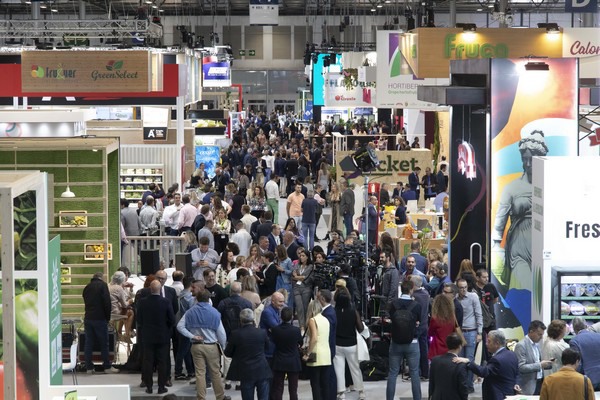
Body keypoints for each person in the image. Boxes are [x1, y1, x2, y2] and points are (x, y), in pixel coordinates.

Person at [493, 130, 549, 290]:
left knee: (542, 288)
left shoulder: (550, 185)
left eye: (531, 159)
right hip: (519, 246)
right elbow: (500, 218)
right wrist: (496, 245)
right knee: (523, 287)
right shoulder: (512, 188)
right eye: (524, 159)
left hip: (543, 245)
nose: (528, 163)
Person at [177, 289, 231, 400]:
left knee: (200, 373)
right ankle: (220, 396)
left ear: (196, 298)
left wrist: (192, 336)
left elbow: (180, 326)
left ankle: (201, 397)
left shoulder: (190, 312)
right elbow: (221, 333)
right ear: (209, 298)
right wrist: (223, 346)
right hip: (211, 346)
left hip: (196, 346)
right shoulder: (214, 313)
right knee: (215, 373)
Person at [453, 330, 520, 400]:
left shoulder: (497, 359)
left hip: (498, 396)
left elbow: (484, 372)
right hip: (510, 395)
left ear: (497, 343)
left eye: (489, 341)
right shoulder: (512, 354)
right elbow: (517, 373)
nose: (486, 344)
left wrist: (468, 362)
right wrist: (517, 383)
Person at [224, 308, 272, 400]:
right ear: (253, 319)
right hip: (262, 369)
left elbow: (228, 353)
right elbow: (268, 348)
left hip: (245, 370)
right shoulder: (262, 332)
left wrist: (238, 354)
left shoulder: (235, 334)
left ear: (241, 320)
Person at [138, 280, 175, 394]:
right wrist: (166, 328)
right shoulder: (166, 302)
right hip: (162, 336)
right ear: (160, 289)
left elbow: (139, 319)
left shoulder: (142, 302)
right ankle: (161, 386)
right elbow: (172, 319)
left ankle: (149, 386)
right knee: (162, 362)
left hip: (148, 336)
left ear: (150, 289)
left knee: (148, 362)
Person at [386, 280, 421, 400]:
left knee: (393, 373)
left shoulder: (393, 304)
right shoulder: (416, 305)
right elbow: (419, 322)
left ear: (401, 289)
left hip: (396, 342)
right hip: (412, 342)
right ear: (411, 290)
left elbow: (391, 319)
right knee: (414, 373)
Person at [82, 272, 119, 374]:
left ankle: (89, 367)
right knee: (104, 343)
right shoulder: (103, 286)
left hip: (88, 317)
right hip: (100, 318)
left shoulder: (87, 287)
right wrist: (107, 318)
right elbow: (107, 303)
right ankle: (107, 366)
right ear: (101, 278)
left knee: (88, 343)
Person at [333, 288, 365, 400]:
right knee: (355, 369)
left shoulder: (333, 312)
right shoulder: (353, 311)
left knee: (339, 370)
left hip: (337, 344)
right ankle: (361, 391)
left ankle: (341, 392)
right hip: (351, 344)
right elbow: (361, 328)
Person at [456, 278, 483, 394]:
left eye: (465, 287)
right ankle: (462, 385)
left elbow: (479, 314)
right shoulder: (455, 298)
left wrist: (480, 332)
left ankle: (469, 385)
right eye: (461, 288)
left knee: (469, 360)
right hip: (459, 332)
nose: (463, 290)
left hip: (471, 332)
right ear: (457, 288)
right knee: (460, 360)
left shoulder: (473, 297)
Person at [271, 307, 303, 400]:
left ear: (281, 317)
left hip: (279, 360)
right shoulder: (296, 330)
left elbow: (273, 341)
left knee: (278, 388)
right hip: (293, 361)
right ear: (292, 317)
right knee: (293, 389)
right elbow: (300, 343)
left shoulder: (275, 329)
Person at [515, 320, 554, 395]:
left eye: (542, 335)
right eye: (539, 334)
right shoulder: (521, 345)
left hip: (540, 382)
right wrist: (540, 365)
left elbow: (537, 362)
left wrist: (547, 364)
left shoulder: (537, 345)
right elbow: (521, 367)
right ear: (531, 331)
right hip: (528, 386)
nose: (541, 337)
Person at [303, 299, 331, 400]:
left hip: (316, 354)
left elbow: (314, 338)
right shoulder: (325, 319)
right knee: (325, 384)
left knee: (315, 384)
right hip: (326, 354)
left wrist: (307, 353)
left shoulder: (312, 320)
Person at [428, 333, 469, 400]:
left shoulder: (435, 360)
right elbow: (463, 388)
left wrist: (430, 396)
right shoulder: (460, 365)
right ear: (460, 347)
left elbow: (431, 383)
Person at [569, 316, 600, 390]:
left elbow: (578, 363)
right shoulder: (598, 336)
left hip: (587, 379)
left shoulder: (574, 341)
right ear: (586, 326)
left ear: (574, 329)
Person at [410, 275, 431, 380]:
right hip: (425, 325)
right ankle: (425, 372)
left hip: (416, 326)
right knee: (424, 349)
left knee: (415, 351)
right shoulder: (426, 294)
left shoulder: (414, 296)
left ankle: (416, 373)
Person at [428, 293, 457, 360]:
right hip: (449, 348)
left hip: (437, 349)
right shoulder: (452, 318)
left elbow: (430, 333)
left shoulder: (435, 319)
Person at [292, 248, 314, 331]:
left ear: (307, 257)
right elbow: (293, 276)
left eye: (303, 256)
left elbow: (305, 277)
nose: (301, 257)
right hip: (297, 288)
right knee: (299, 307)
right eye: (300, 255)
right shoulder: (297, 265)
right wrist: (298, 277)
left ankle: (306, 325)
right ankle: (301, 326)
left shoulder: (310, 266)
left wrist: (297, 276)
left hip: (306, 288)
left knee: (305, 308)